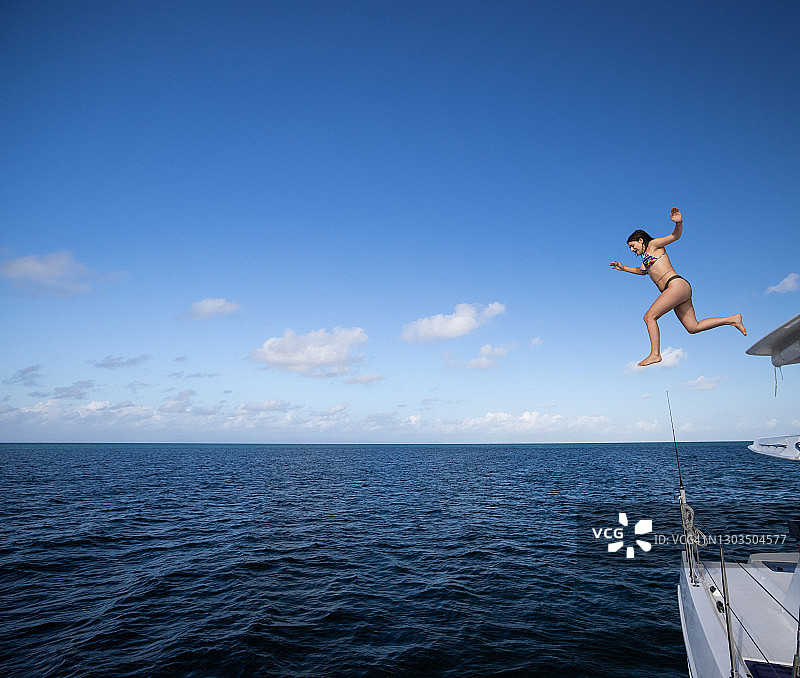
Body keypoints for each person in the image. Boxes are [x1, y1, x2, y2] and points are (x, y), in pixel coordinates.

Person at [609, 207, 746, 367]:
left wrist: (678, 222)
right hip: (679, 290)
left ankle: (655, 354)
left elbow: (675, 236)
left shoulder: (653, 245)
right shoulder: (646, 259)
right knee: (693, 327)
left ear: (640, 240)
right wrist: (623, 268)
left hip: (675, 286)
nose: (632, 250)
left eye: (633, 246)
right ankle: (732, 319)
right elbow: (642, 271)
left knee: (649, 317)